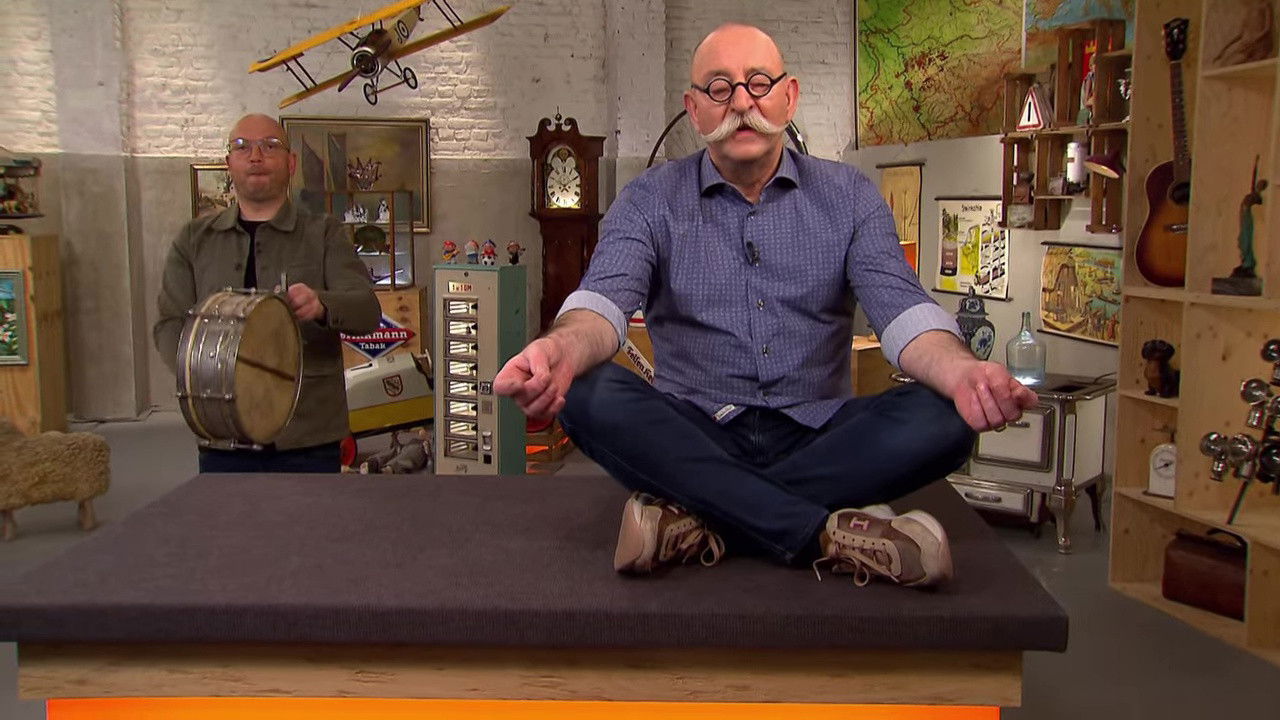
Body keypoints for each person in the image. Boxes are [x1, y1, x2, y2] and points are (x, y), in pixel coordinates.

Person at [494, 24, 1037, 589]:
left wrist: (964, 372)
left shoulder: (850, 196)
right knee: (584, 389)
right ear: (694, 110)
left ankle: (703, 515)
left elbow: (902, 311)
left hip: (822, 433)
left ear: (789, 96)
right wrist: (559, 350)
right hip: (693, 430)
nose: (742, 103)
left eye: (758, 83)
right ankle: (823, 532)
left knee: (949, 412)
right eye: (720, 88)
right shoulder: (649, 200)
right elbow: (600, 303)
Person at [154, 113, 380, 473]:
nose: (256, 156)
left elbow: (367, 311)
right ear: (229, 163)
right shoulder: (194, 240)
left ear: (291, 163)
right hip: (221, 433)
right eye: (242, 147)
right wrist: (202, 377)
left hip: (309, 433)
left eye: (270, 146)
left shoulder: (324, 233)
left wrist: (322, 304)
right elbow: (169, 325)